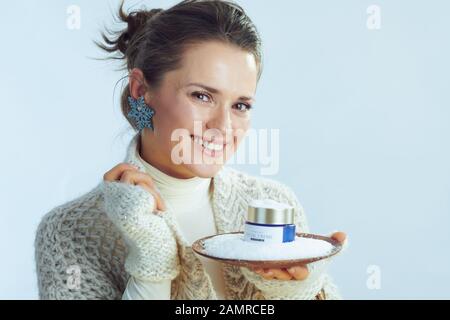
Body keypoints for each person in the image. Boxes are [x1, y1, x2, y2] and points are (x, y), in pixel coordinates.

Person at [35, 0, 347, 300]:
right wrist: (152, 262)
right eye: (201, 96)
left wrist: (295, 292)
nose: (223, 126)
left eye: (240, 105)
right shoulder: (70, 232)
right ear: (141, 91)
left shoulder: (274, 205)